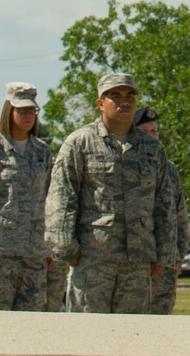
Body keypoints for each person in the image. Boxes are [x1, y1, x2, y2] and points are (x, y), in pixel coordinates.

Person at [45, 73, 176, 314]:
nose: (124, 102)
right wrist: (66, 249)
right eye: (115, 96)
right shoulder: (80, 143)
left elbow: (164, 204)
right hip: (93, 259)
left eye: (130, 96)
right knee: (89, 336)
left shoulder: (152, 149)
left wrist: (164, 255)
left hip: (137, 262)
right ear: (100, 103)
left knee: (131, 338)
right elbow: (62, 198)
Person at [0, 81, 54, 312]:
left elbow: (49, 200)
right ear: (9, 110)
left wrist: (50, 245)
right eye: (22, 110)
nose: (28, 115)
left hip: (34, 250)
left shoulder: (43, 152)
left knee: (32, 316)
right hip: (0, 248)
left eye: (32, 110)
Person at [137, 107, 186, 315]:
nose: (151, 135)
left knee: (161, 317)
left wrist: (179, 254)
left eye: (154, 131)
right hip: (138, 258)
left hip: (165, 259)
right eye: (145, 131)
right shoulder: (128, 165)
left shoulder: (169, 168)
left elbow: (180, 214)